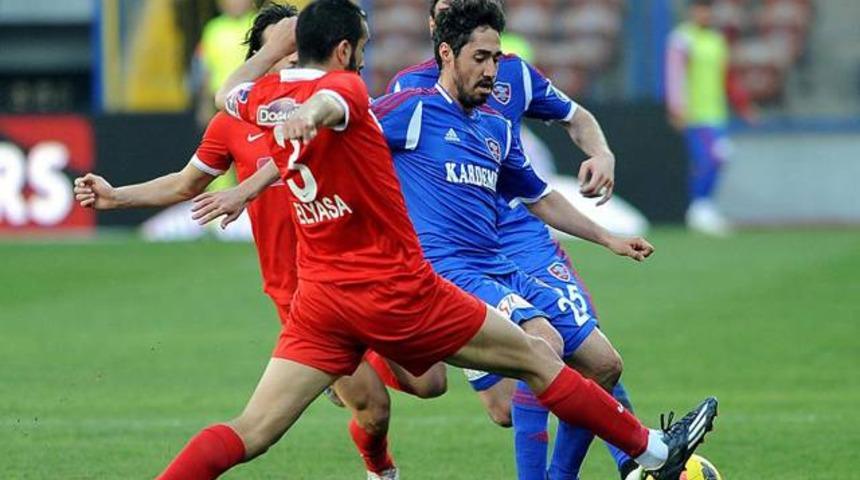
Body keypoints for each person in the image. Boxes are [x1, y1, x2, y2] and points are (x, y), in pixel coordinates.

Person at [175, 1, 718, 479]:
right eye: (361, 47)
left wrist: (273, 54)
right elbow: (335, 101)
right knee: (538, 357)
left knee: (251, 431)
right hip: (398, 289)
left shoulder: (263, 103)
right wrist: (312, 112)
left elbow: (228, 93)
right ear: (344, 50)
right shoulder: (346, 90)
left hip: (322, 299)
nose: (365, 60)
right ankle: (652, 453)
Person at [72, 5, 442, 479]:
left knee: (430, 383)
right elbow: (186, 183)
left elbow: (295, 151)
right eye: (277, 51)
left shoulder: (326, 107)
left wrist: (245, 190)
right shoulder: (235, 123)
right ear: (262, 57)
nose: (287, 61)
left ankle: (350, 366)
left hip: (362, 275)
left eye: (293, 49)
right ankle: (381, 469)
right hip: (303, 293)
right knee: (374, 408)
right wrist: (116, 197)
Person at [386, 0, 640, 478]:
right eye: (480, 56)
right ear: (438, 35)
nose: (490, 67)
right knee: (508, 403)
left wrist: (606, 211)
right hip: (454, 254)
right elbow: (358, 150)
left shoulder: (507, 97)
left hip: (517, 237)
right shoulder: (411, 98)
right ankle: (645, 454)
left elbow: (544, 182)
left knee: (599, 362)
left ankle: (627, 462)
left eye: (493, 57)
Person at [665, 0, 755, 236]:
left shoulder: (717, 41)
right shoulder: (682, 38)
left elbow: (726, 77)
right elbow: (674, 73)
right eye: (699, 8)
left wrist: (742, 106)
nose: (704, 13)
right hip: (695, 114)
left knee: (715, 158)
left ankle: (701, 207)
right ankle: (700, 208)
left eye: (707, 9)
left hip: (716, 114)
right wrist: (677, 107)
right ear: (691, 11)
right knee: (713, 157)